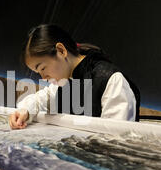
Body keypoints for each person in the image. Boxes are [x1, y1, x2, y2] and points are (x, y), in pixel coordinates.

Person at [9, 24, 140, 129]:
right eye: (38, 73)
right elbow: (39, 100)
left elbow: (116, 139)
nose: (43, 77)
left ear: (61, 51)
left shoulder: (111, 80)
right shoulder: (64, 82)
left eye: (43, 68)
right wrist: (24, 111)